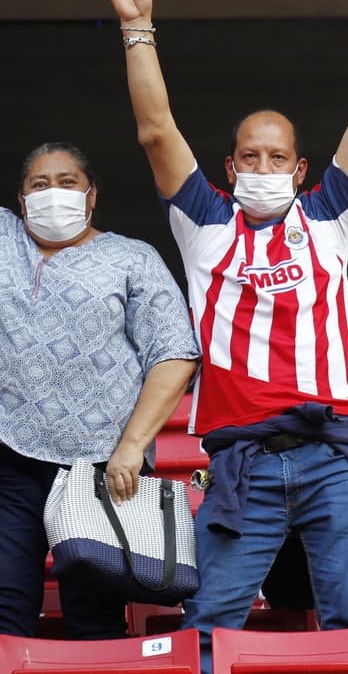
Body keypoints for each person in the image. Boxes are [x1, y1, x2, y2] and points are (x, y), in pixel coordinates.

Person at [96, 0, 348, 668]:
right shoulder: (205, 223)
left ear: (300, 166)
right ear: (228, 166)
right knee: (213, 621)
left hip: (331, 452)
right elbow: (157, 131)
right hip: (242, 461)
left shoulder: (327, 216)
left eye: (275, 157)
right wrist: (136, 26)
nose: (261, 167)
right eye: (248, 157)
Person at [0, 142, 199, 639]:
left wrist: (132, 447)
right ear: (20, 201)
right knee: (5, 606)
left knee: (95, 619)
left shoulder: (132, 258)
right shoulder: (5, 240)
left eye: (67, 183)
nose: (53, 194)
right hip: (10, 461)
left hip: (105, 470)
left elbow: (175, 353)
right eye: (39, 185)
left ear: (92, 196)